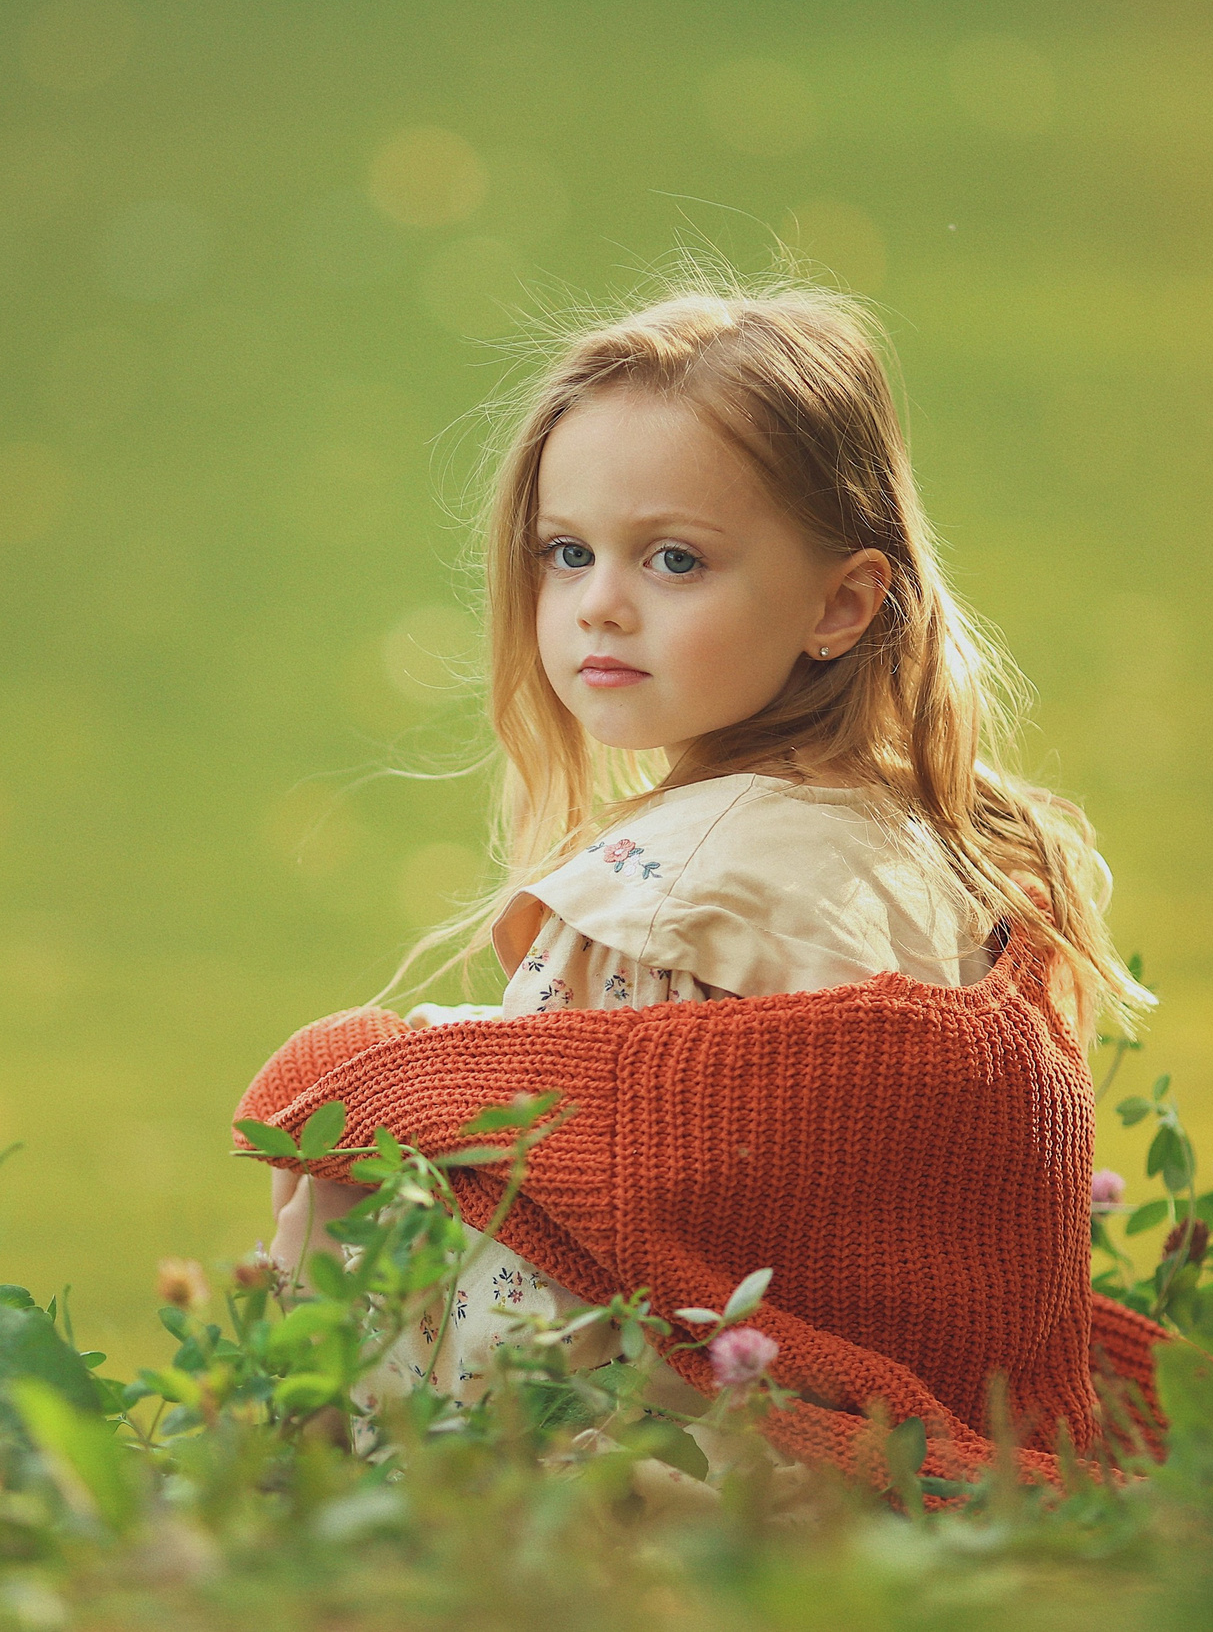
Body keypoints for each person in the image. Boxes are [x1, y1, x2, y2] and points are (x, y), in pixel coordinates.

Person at [263, 275, 1149, 1471]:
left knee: (348, 1121)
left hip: (686, 1443)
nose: (599, 607)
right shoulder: (942, 842)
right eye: (567, 553)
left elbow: (563, 1248)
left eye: (674, 560)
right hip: (885, 1410)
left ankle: (315, 1473)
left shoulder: (663, 897)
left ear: (841, 604)